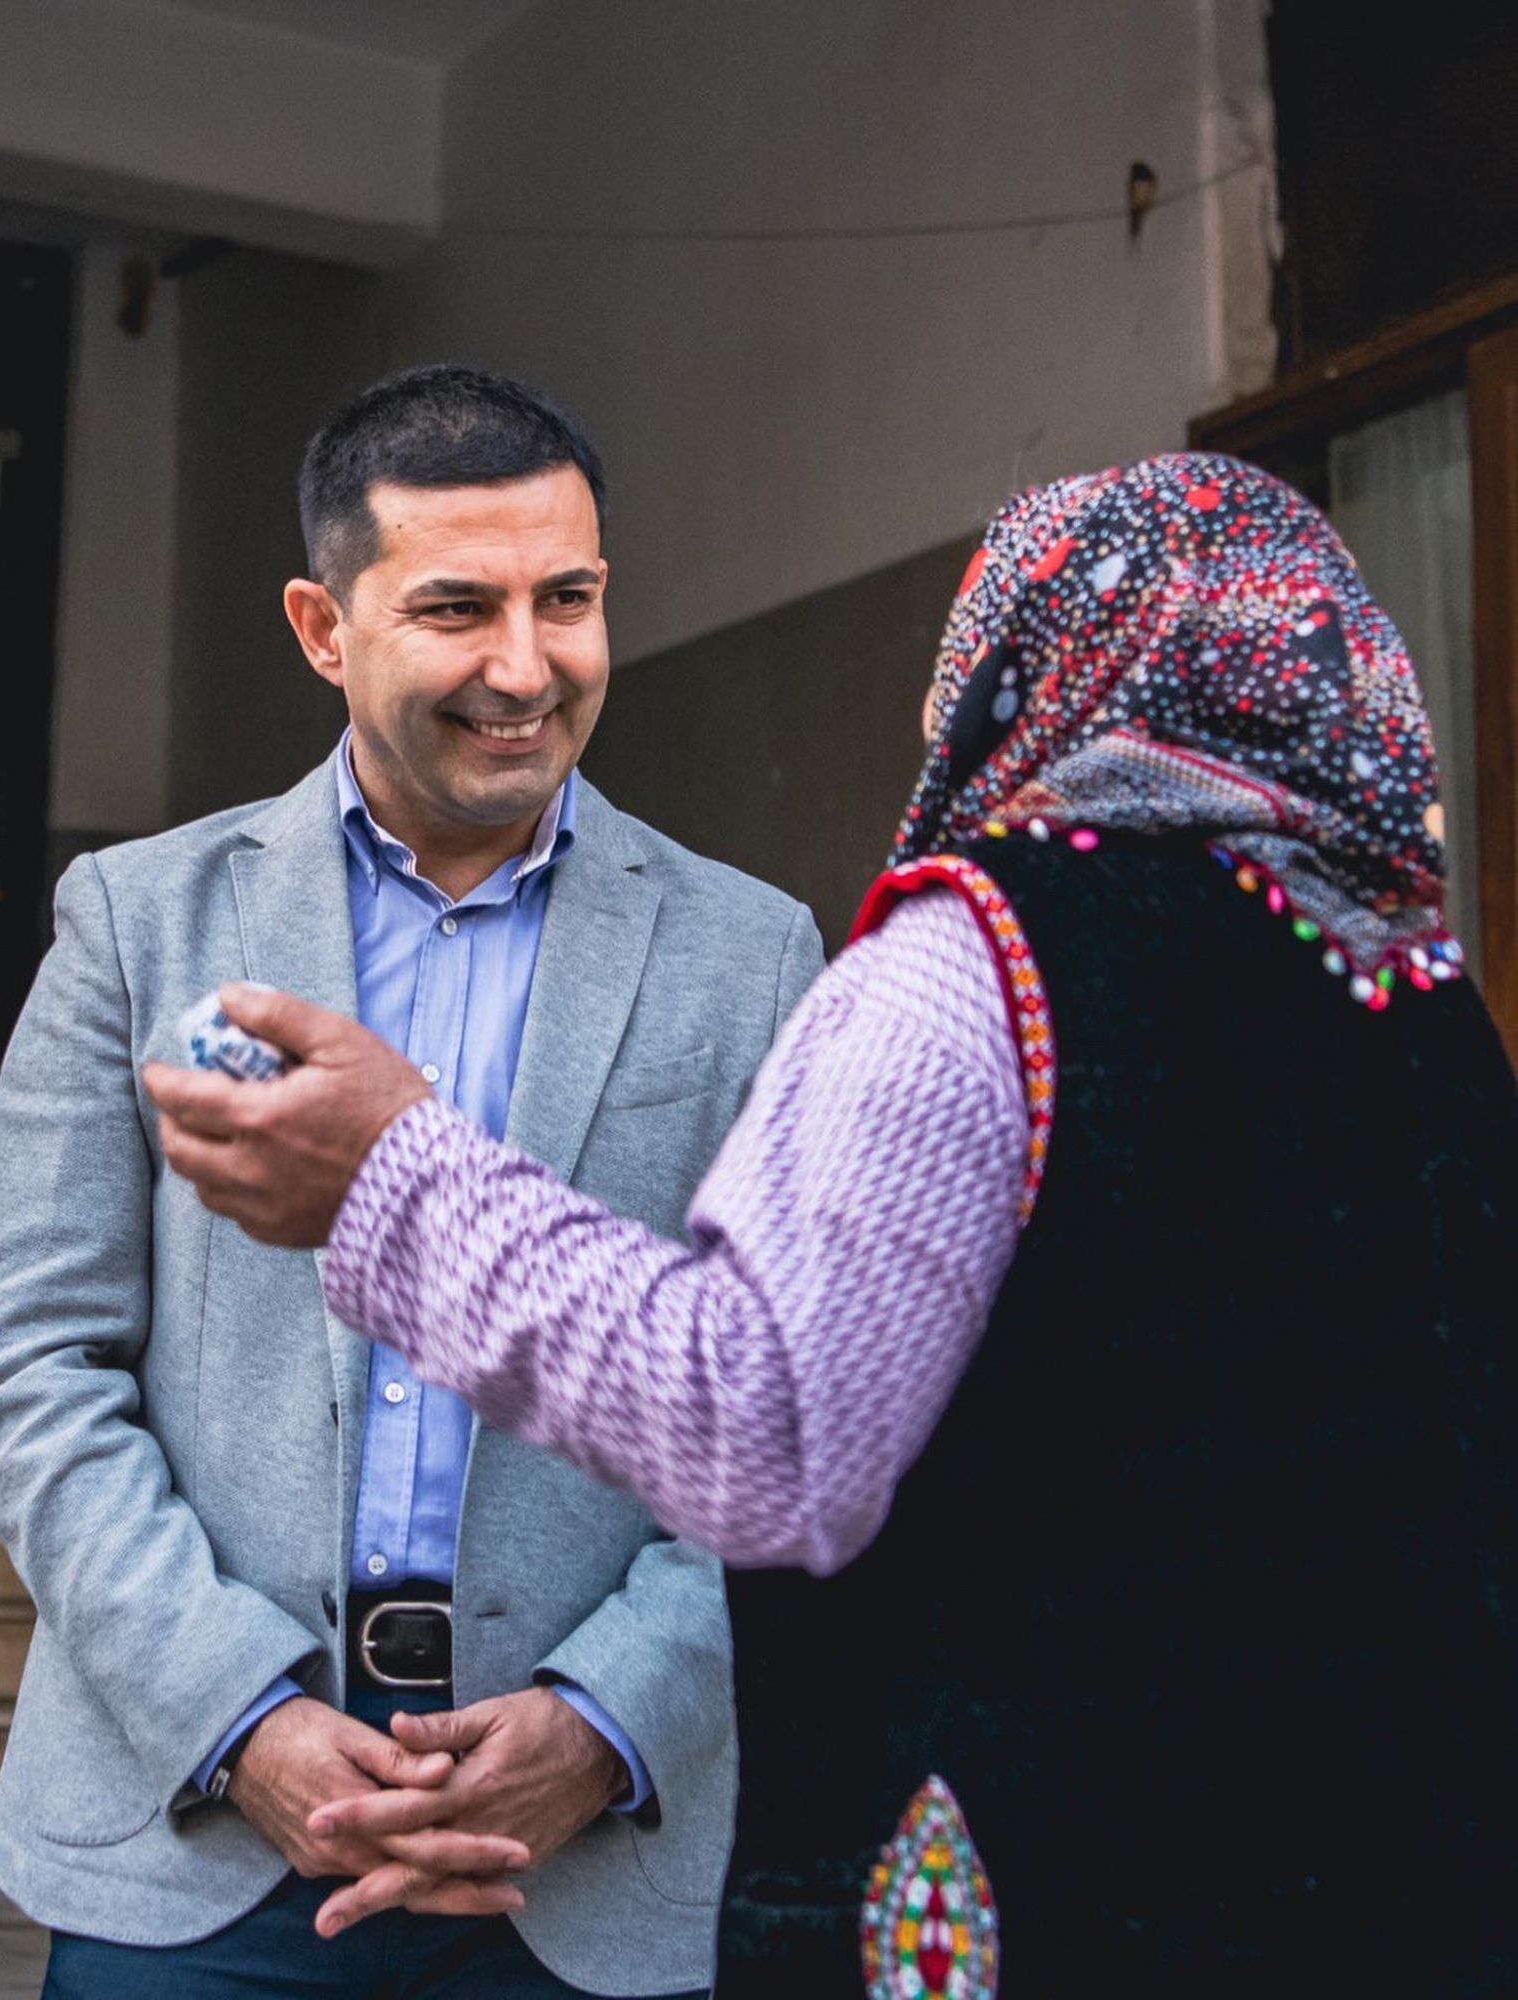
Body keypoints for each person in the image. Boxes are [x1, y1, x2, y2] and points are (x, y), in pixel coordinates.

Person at [148, 453, 1517, 1999]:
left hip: (1046, 1899)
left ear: (1016, 666)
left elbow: (771, 1425)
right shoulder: (1420, 1007)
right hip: (1402, 1891)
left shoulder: (979, 956)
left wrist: (396, 1182)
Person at [0, 363, 823, 1998]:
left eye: (568, 600)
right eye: (456, 608)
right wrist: (239, 1714)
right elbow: (24, 1367)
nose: (525, 666)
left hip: (585, 1865)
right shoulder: (140, 924)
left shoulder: (753, 952)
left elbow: (803, 1408)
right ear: (321, 627)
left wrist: (611, 1715)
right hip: (198, 1848)